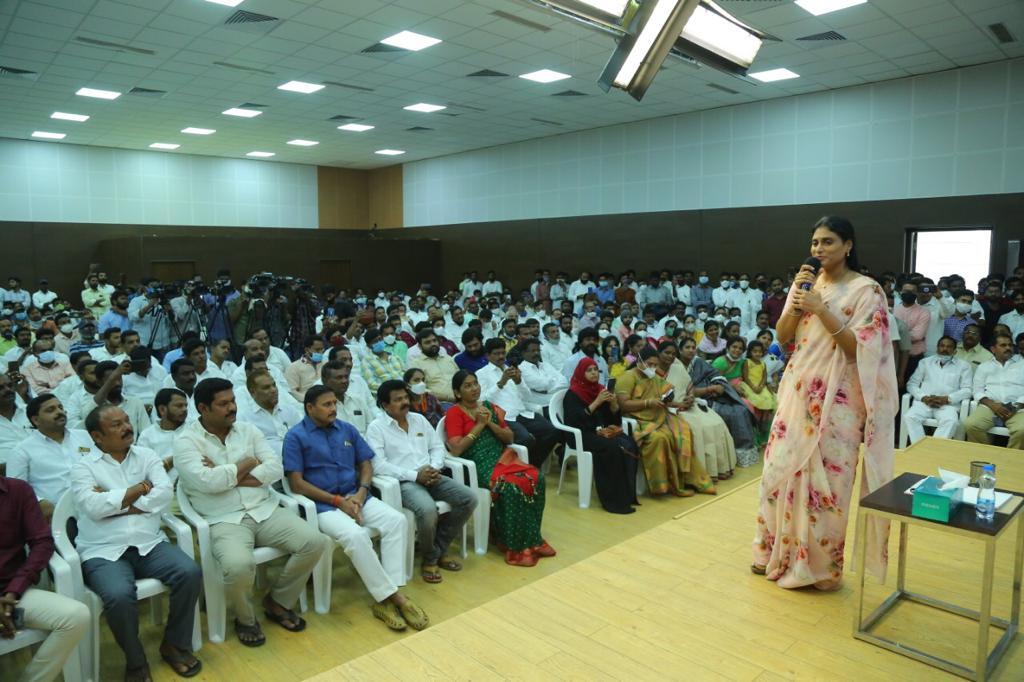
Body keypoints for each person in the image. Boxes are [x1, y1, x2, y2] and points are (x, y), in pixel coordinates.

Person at [752, 216, 896, 591]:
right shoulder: (805, 285)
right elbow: (783, 337)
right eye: (815, 242)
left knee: (829, 484)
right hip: (798, 392)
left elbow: (859, 350)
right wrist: (799, 301)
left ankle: (817, 568)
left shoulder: (868, 291)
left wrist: (821, 308)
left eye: (828, 242)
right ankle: (772, 552)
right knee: (778, 472)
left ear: (848, 246)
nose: (818, 250)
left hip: (839, 402)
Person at [174, 378, 329, 647]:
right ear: (203, 408)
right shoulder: (186, 442)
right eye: (223, 404)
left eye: (233, 401)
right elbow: (208, 483)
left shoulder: (247, 430)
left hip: (264, 509)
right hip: (223, 519)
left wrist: (227, 474)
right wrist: (247, 462)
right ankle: (245, 619)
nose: (232, 408)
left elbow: (275, 468)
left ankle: (277, 601)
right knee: (237, 567)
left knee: (315, 542)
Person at [72, 405, 203, 681]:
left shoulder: (146, 455)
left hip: (148, 543)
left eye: (127, 421)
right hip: (103, 550)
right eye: (116, 425)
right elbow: (93, 507)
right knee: (119, 596)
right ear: (97, 436)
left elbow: (164, 495)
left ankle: (174, 644)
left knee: (189, 572)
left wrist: (117, 499)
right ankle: (136, 661)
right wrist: (142, 489)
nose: (126, 427)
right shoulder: (83, 467)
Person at [283, 385, 428, 632]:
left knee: (397, 520)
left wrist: (361, 494)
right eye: (326, 405)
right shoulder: (295, 437)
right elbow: (297, 484)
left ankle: (389, 593)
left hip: (356, 496)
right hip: (323, 506)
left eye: (334, 404)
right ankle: (391, 599)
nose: (333, 409)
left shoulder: (346, 429)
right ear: (309, 408)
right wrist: (338, 502)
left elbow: (366, 463)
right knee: (356, 536)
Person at [368, 380, 477, 583]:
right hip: (403, 482)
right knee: (427, 510)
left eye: (406, 397)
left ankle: (437, 550)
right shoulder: (376, 428)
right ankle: (430, 559)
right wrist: (414, 475)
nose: (405, 402)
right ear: (385, 405)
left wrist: (434, 468)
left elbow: (436, 447)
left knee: (468, 498)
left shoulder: (418, 419)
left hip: (431, 474)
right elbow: (379, 466)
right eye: (398, 399)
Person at [445, 371, 553, 567]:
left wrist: (490, 424)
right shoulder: (454, 413)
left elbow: (509, 438)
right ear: (458, 393)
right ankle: (513, 544)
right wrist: (479, 425)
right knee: (510, 487)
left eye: (475, 384)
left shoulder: (488, 407)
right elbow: (457, 448)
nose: (474, 388)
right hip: (477, 464)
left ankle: (533, 539)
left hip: (502, 458)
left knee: (537, 477)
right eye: (467, 386)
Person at [0, 474, 91, 682]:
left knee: (75, 616)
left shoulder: (17, 490)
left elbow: (42, 542)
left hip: (11, 593)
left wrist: (14, 589)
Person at [615, 347, 714, 497]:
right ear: (639, 361)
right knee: (660, 439)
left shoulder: (653, 377)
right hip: (638, 420)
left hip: (659, 416)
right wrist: (648, 403)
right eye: (650, 364)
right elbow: (623, 404)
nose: (652, 368)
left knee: (683, 433)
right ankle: (665, 485)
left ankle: (689, 480)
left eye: (655, 365)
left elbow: (665, 393)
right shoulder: (627, 377)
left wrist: (674, 400)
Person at [561, 357, 639, 514]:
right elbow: (575, 422)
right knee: (613, 448)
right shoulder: (573, 394)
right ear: (581, 373)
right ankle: (613, 501)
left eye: (595, 370)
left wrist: (614, 406)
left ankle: (627, 495)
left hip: (599, 431)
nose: (593, 373)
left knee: (629, 443)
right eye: (589, 370)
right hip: (581, 435)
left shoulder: (600, 390)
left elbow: (612, 421)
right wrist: (596, 402)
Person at [658, 340, 737, 481]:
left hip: (688, 405)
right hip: (669, 410)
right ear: (659, 353)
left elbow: (689, 389)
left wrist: (689, 398)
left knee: (716, 422)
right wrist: (678, 404)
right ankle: (699, 474)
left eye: (673, 354)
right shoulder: (652, 370)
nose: (670, 356)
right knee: (698, 429)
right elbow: (656, 398)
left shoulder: (677, 367)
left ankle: (717, 469)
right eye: (667, 353)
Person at [477, 338, 561, 469]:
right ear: (487, 355)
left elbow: (527, 396)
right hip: (502, 417)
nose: (501, 356)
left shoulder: (511, 369)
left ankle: (531, 465)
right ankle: (516, 467)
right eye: (496, 353)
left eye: (502, 353)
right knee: (526, 439)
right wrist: (500, 383)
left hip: (522, 412)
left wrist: (518, 381)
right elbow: (482, 400)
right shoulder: (482, 374)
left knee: (552, 431)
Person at [8, 395, 94, 519]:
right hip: (54, 515)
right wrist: (39, 502)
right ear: (36, 420)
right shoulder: (21, 451)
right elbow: (16, 491)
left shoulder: (83, 436)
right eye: (50, 410)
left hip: (93, 503)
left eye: (60, 407)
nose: (59, 412)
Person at [904, 336, 973, 444]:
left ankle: (933, 449)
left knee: (951, 421)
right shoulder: (925, 362)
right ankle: (921, 449)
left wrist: (948, 399)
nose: (945, 349)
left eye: (949, 346)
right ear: (937, 348)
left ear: (955, 351)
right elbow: (911, 384)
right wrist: (923, 397)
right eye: (942, 346)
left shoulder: (964, 366)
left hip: (947, 405)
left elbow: (968, 390)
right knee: (910, 417)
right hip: (924, 403)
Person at [964, 333, 1024, 449]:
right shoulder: (984, 367)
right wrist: (993, 405)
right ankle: (986, 456)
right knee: (971, 425)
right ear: (993, 349)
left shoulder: (1022, 364)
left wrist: (1016, 406)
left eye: (1010, 345)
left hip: (1018, 407)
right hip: (990, 407)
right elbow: (977, 390)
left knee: (1022, 430)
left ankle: (1010, 461)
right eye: (1003, 345)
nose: (1008, 348)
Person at [238, 370, 303, 457]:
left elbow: (304, 438)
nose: (273, 390)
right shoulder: (244, 419)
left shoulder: (290, 411)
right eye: (266, 387)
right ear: (252, 392)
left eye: (274, 385)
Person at [85, 360, 152, 435]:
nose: (117, 383)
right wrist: (113, 376)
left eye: (119, 378)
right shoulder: (93, 405)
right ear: (99, 383)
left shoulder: (135, 402)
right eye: (112, 380)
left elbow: (146, 432)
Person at [136, 388, 189, 471]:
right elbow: (144, 469)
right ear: (162, 409)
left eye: (186, 406)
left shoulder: (194, 430)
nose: (184, 409)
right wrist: (175, 459)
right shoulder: (147, 436)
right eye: (179, 406)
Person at [321, 361, 376, 434]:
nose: (344, 381)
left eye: (346, 377)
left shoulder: (358, 401)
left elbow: (372, 428)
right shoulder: (320, 407)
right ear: (325, 381)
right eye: (339, 378)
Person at [408, 328, 459, 402]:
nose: (433, 344)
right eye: (427, 342)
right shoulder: (416, 364)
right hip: (439, 404)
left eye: (434, 340)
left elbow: (460, 378)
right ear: (420, 346)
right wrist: (447, 398)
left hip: (462, 399)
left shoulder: (448, 358)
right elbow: (421, 390)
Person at [894, 282, 930, 381]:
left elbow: (918, 335)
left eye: (912, 292)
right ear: (901, 292)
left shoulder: (924, 312)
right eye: (906, 291)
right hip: (895, 357)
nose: (908, 293)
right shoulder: (894, 310)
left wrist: (896, 337)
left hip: (914, 358)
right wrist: (907, 335)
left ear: (917, 294)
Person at [360, 328, 405, 393]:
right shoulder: (366, 362)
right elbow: (371, 384)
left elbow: (405, 373)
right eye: (375, 341)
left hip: (403, 389)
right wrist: (393, 388)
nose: (379, 342)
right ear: (369, 346)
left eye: (380, 339)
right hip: (386, 394)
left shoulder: (394, 356)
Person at [284, 335, 325, 403]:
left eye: (322, 350)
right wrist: (311, 400)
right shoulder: (293, 367)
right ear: (307, 350)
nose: (320, 353)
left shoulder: (326, 365)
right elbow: (292, 391)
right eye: (317, 350)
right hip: (303, 403)